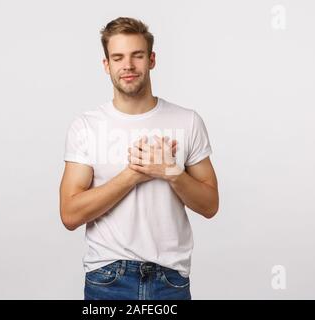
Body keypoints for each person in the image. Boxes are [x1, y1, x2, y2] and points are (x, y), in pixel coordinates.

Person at [59, 17, 219, 300]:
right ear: (107, 65)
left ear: (151, 59)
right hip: (108, 278)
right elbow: (70, 214)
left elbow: (210, 205)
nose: (128, 66)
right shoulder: (86, 126)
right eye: (118, 57)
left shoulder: (187, 121)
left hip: (170, 280)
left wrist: (172, 172)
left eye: (137, 56)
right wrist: (133, 174)